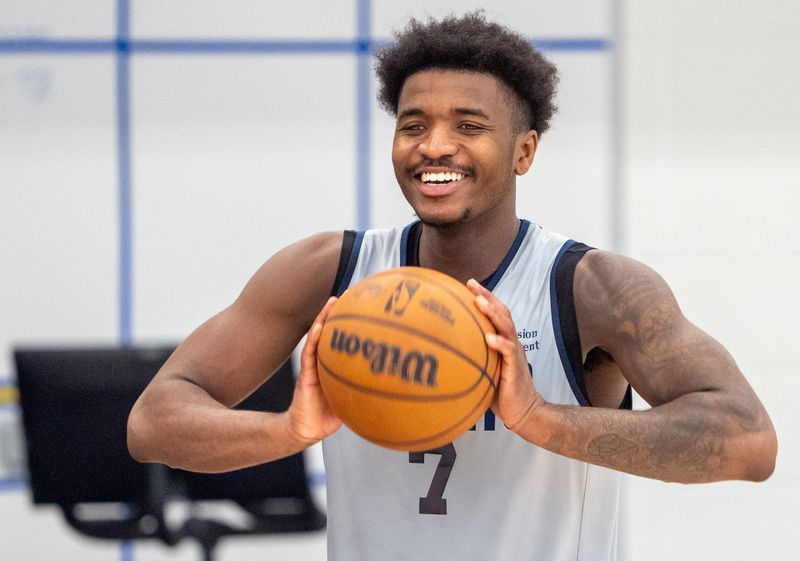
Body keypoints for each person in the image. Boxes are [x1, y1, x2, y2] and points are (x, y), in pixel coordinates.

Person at [127, 12, 777, 561]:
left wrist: (540, 418)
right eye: (413, 124)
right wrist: (289, 431)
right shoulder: (329, 270)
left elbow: (749, 441)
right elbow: (153, 421)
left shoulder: (590, 288)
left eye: (468, 125)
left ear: (524, 151)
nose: (434, 145)